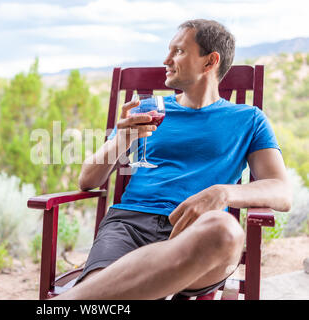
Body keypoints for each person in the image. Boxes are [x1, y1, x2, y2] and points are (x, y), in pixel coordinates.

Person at [54, 19, 292, 300]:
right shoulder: (147, 111)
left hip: (195, 236)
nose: (166, 60)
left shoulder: (249, 120)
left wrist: (223, 193)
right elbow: (88, 180)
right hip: (128, 227)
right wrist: (122, 138)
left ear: (209, 61)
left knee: (226, 231)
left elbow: (282, 191)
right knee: (107, 291)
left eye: (178, 51)